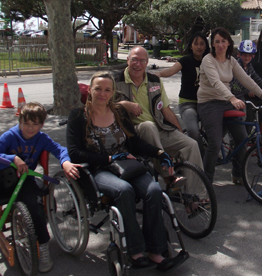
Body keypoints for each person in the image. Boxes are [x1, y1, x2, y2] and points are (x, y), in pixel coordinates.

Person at [66, 71, 184, 271]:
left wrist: (159, 152)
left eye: (107, 90)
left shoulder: (119, 114)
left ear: (113, 93)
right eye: (98, 89)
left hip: (127, 166)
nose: (102, 94)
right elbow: (75, 153)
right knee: (124, 191)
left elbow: (135, 142)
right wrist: (110, 158)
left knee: (155, 191)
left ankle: (155, 250)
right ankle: (135, 250)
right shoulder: (78, 116)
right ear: (90, 90)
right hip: (100, 169)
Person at [0, 102, 80, 273]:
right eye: (26, 123)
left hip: (23, 181)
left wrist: (65, 162)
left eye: (36, 124)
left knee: (36, 208)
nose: (30, 128)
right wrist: (12, 159)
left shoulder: (42, 138)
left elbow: (60, 149)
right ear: (20, 121)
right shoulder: (10, 136)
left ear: (42, 124)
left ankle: (43, 247)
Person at [114, 46, 204, 180]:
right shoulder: (115, 81)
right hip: (132, 133)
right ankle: (169, 177)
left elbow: (166, 111)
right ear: (127, 60)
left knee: (191, 144)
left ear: (147, 62)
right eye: (134, 60)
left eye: (142, 61)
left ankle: (197, 195)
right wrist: (123, 104)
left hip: (159, 128)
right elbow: (102, 106)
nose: (138, 64)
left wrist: (179, 132)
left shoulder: (154, 81)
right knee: (148, 126)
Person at [197, 27, 262, 184]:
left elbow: (246, 79)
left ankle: (237, 174)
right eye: (217, 41)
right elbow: (216, 82)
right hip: (209, 103)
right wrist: (232, 98)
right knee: (215, 143)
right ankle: (206, 181)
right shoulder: (208, 60)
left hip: (226, 101)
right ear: (212, 44)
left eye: (223, 41)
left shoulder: (231, 60)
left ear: (229, 43)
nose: (220, 45)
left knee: (242, 138)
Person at [152, 32, 210, 156]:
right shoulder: (186, 60)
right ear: (191, 46)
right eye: (196, 44)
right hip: (187, 104)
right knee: (193, 131)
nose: (199, 47)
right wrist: (159, 74)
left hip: (206, 103)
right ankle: (202, 156)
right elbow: (171, 70)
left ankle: (213, 152)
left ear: (206, 46)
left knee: (216, 129)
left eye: (202, 44)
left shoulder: (209, 60)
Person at [230, 40, 262, 133]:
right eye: (245, 55)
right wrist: (248, 90)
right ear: (239, 54)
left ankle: (246, 137)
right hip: (234, 97)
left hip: (242, 97)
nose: (247, 57)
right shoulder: (237, 65)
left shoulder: (249, 67)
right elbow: (237, 83)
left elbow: (257, 79)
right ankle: (235, 140)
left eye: (250, 55)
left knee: (250, 117)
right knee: (241, 118)